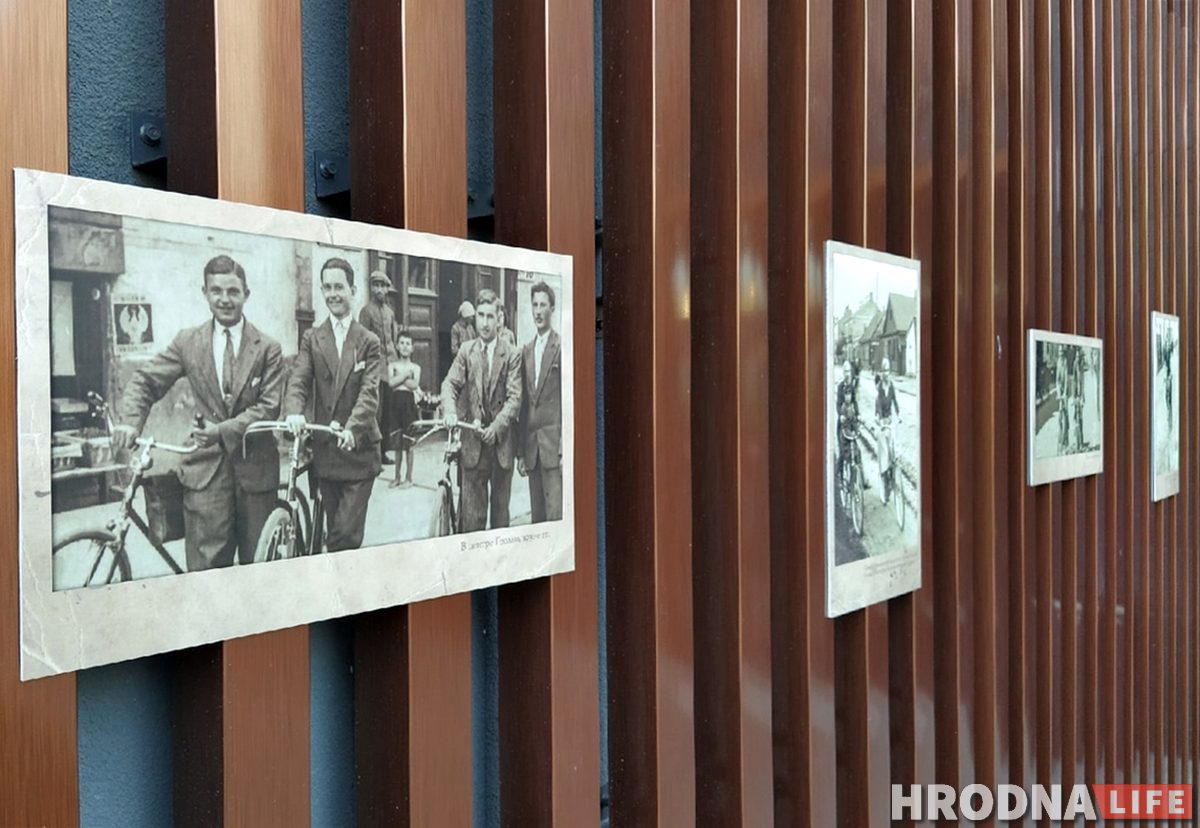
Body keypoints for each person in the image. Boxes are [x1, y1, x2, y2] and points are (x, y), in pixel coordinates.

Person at [114, 254, 284, 571]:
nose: (225, 299)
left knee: (260, 572)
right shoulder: (187, 342)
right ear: (204, 293)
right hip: (206, 476)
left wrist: (219, 432)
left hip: (256, 474)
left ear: (246, 294)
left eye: (233, 291)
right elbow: (146, 380)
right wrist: (130, 422)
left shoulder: (267, 348)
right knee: (205, 574)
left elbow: (268, 407)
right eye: (216, 290)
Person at [283, 257, 383, 552]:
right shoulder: (313, 338)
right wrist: (294, 412)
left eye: (339, 287)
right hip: (326, 454)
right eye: (327, 287)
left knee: (344, 536)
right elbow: (299, 380)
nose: (333, 294)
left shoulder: (369, 341)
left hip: (359, 452)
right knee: (332, 531)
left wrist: (352, 428)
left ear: (353, 290)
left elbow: (369, 392)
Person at [441, 288, 523, 531]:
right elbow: (449, 384)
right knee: (471, 523)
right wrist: (450, 411)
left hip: (501, 446)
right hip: (473, 447)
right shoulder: (466, 351)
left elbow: (515, 398)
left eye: (490, 316)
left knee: (500, 520)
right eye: (480, 315)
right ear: (475, 316)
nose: (485, 323)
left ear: (499, 318)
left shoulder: (511, 354)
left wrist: (496, 428)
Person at [518, 282, 563, 522]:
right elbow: (524, 405)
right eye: (534, 305)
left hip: (554, 448)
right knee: (537, 519)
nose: (538, 311)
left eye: (543, 305)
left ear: (552, 309)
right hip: (532, 449)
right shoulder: (526, 351)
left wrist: (564, 445)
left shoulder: (561, 347)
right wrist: (520, 453)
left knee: (555, 515)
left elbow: (567, 402)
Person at [359, 269, 399, 463]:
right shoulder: (366, 312)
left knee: (389, 412)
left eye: (383, 286)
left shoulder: (390, 313)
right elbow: (362, 341)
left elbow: (393, 339)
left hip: (390, 367)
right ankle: (372, 453)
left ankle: (383, 451)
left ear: (387, 288)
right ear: (371, 288)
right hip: (375, 367)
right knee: (376, 410)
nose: (380, 290)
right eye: (376, 285)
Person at [387, 329, 422, 488]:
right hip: (395, 406)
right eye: (402, 343)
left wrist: (399, 378)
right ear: (397, 346)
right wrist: (406, 375)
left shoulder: (416, 367)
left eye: (408, 343)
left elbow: (414, 385)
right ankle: (397, 477)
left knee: (409, 443)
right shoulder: (392, 365)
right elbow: (391, 383)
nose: (405, 346)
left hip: (409, 406)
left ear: (412, 348)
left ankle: (409, 478)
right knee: (397, 444)